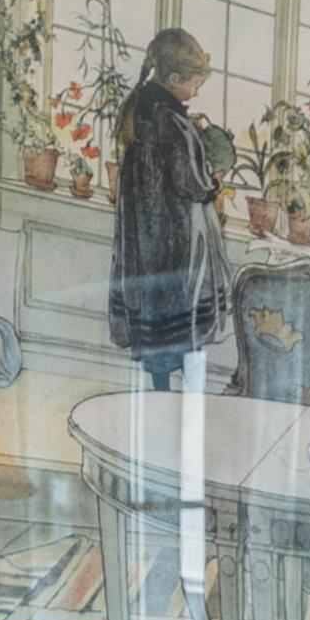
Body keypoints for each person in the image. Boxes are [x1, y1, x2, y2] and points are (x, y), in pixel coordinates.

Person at [106, 27, 231, 388]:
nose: (195, 92)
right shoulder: (171, 122)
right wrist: (214, 181)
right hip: (176, 240)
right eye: (194, 84)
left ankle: (160, 393)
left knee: (156, 324)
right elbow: (192, 183)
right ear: (175, 80)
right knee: (183, 320)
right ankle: (190, 397)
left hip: (148, 240)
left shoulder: (143, 112)